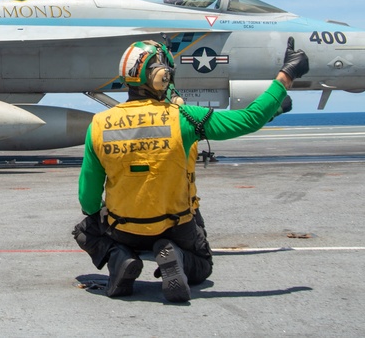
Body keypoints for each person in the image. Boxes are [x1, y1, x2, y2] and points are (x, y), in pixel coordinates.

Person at [72, 37, 308, 302]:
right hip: (176, 226)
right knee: (202, 264)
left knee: (83, 229)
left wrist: (99, 217)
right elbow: (249, 119)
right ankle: (178, 256)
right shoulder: (184, 118)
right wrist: (286, 76)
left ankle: (120, 257)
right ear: (161, 77)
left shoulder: (100, 124)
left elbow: (88, 197)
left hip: (125, 230)